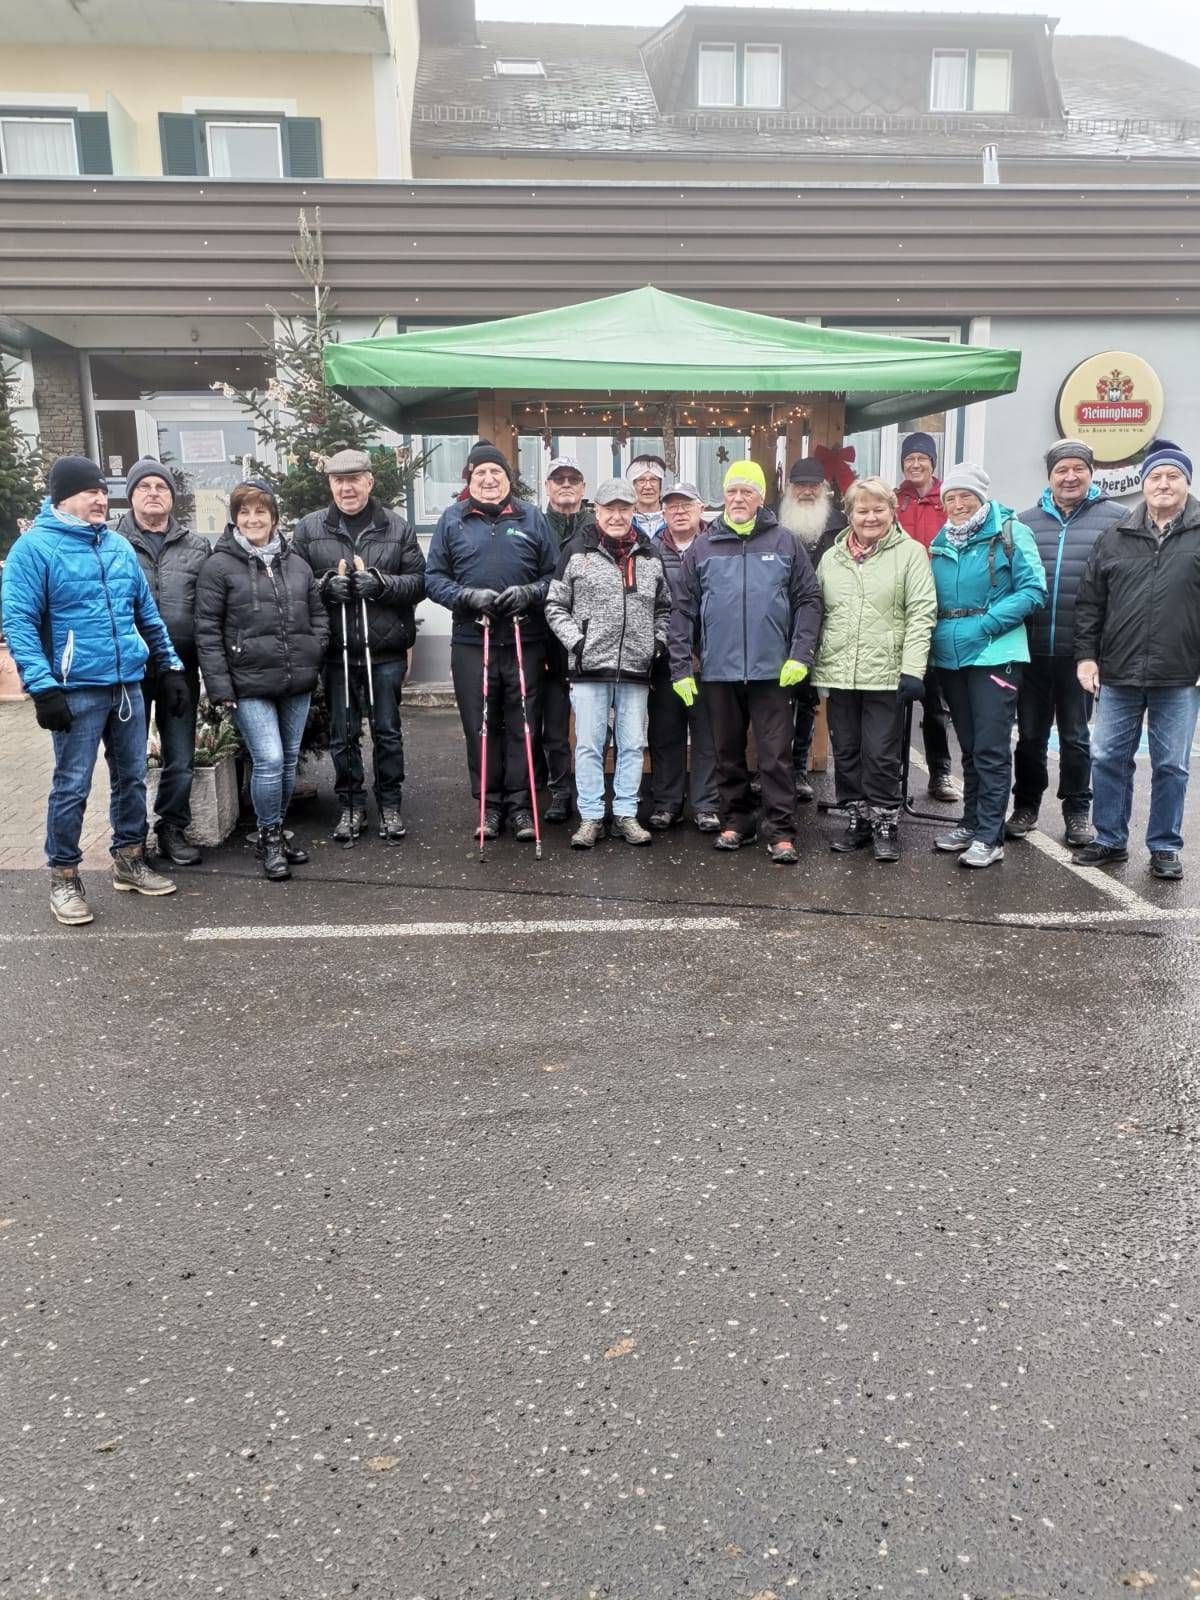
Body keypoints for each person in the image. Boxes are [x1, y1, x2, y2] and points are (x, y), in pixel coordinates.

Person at [2, 455, 185, 924]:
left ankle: (129, 859)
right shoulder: (34, 549)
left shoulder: (118, 547)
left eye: (104, 491)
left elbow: (146, 614)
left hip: (126, 686)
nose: (101, 499)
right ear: (63, 497)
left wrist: (171, 665)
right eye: (90, 491)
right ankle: (64, 878)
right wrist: (43, 688)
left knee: (131, 778)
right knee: (72, 785)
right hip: (74, 690)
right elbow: (18, 622)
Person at [669, 460, 823, 865]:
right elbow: (681, 611)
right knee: (727, 752)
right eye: (732, 492)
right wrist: (681, 667)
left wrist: (800, 654)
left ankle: (782, 831)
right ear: (723, 497)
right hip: (719, 671)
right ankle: (737, 821)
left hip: (773, 671)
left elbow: (809, 600)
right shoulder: (703, 547)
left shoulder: (785, 543)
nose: (738, 499)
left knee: (775, 755)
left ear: (760, 498)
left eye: (747, 492)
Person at [1073, 438, 1200, 880]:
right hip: (1119, 672)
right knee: (1108, 757)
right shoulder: (1117, 535)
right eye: (1155, 477)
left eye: (1173, 476)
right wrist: (1087, 658)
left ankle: (1165, 846)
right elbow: (1090, 602)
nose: (1163, 484)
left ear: (1186, 482)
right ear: (1144, 485)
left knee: (1171, 765)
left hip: (1180, 675)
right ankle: (1109, 839)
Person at [194, 478, 329, 881]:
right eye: (245, 512)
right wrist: (219, 687)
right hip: (247, 683)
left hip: (295, 680)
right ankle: (268, 837)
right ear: (235, 518)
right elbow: (207, 630)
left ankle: (279, 831)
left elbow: (318, 614)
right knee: (268, 760)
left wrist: (314, 649)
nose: (253, 519)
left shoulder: (296, 563)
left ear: (273, 517)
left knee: (287, 761)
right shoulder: (219, 566)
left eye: (261, 511)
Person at [425, 440, 558, 841]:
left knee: (523, 725)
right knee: (481, 725)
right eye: (480, 472)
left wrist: (530, 594)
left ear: (508, 479)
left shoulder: (532, 518)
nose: (488, 479)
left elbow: (555, 576)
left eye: (495, 472)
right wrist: (465, 597)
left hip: (524, 638)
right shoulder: (453, 519)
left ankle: (520, 806)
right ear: (469, 478)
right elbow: (433, 579)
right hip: (472, 639)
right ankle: (489, 805)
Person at [293, 447, 426, 845]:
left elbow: (420, 582)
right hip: (336, 650)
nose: (347, 487)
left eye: (354, 479)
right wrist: (323, 587)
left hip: (382, 649)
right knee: (343, 733)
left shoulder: (396, 527)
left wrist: (382, 585)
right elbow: (294, 585)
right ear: (330, 484)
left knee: (387, 731)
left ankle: (389, 804)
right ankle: (350, 804)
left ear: (369, 481)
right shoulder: (309, 529)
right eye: (339, 480)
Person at [928, 464, 1047, 868]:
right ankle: (971, 822)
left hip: (996, 652)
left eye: (966, 497)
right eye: (950, 498)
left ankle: (989, 836)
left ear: (981, 498)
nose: (958, 505)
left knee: (992, 748)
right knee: (970, 747)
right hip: (951, 654)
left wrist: (988, 624)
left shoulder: (1011, 532)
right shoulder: (941, 540)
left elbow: (1034, 589)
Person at [1007, 439, 1125, 848]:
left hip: (1083, 654)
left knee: (1075, 736)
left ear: (1091, 473)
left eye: (1078, 468)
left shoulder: (1116, 520)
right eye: (1061, 470)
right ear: (1050, 476)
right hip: (1033, 648)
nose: (1069, 477)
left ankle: (1077, 810)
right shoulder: (1024, 523)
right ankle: (1025, 806)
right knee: (1031, 736)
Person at [813, 477, 937, 863]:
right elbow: (818, 614)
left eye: (878, 509)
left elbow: (921, 612)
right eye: (861, 510)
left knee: (881, 753)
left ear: (891, 511)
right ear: (849, 514)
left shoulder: (911, 554)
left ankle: (885, 820)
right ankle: (857, 819)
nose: (870, 517)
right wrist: (808, 667)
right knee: (846, 750)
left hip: (887, 673)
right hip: (838, 671)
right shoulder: (831, 558)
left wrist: (913, 669)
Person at [545, 478, 670, 849]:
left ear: (634, 511)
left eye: (624, 508)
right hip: (588, 670)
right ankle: (591, 817)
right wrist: (577, 642)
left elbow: (663, 608)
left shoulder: (650, 555)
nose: (617, 516)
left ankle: (627, 815)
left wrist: (656, 644)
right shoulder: (575, 552)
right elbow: (554, 605)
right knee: (588, 745)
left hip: (636, 668)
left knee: (632, 744)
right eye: (609, 508)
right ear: (595, 511)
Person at [115, 457, 212, 867]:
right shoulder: (110, 542)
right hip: (128, 671)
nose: (153, 493)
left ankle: (172, 826)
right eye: (144, 487)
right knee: (128, 759)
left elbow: (208, 610)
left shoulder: (196, 545)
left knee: (180, 756)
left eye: (161, 487)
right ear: (132, 495)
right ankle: (130, 839)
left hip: (180, 668)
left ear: (172, 498)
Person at [646, 481, 720, 832]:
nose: (678, 511)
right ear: (663, 513)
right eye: (671, 506)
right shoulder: (649, 551)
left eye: (685, 505)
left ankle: (706, 804)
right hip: (663, 658)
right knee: (664, 733)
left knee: (706, 734)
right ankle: (666, 802)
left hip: (709, 659)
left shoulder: (716, 546)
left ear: (700, 508)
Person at [894, 431, 962, 804]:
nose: (916, 464)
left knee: (935, 704)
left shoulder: (948, 500)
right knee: (893, 704)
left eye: (922, 458)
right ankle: (892, 773)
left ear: (933, 462)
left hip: (939, 611)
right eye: (909, 459)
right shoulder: (894, 500)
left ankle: (940, 773)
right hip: (900, 612)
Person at [777, 455, 847, 801]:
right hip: (778, 623)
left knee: (807, 701)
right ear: (790, 488)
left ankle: (800, 768)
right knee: (774, 701)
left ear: (824, 489)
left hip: (822, 624)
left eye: (812, 485)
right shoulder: (775, 520)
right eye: (800, 485)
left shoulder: (841, 525)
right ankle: (774, 769)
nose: (806, 491)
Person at [540, 455, 590, 824]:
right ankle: (559, 790)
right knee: (555, 722)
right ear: (548, 486)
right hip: (547, 640)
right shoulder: (534, 524)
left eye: (573, 478)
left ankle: (596, 791)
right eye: (559, 479)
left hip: (592, 639)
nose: (566, 484)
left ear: (583, 487)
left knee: (595, 723)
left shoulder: (596, 525)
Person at [628, 454, 667, 539]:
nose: (648, 486)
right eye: (641, 480)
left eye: (653, 480)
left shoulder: (673, 518)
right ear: (633, 485)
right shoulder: (624, 520)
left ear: (661, 485)